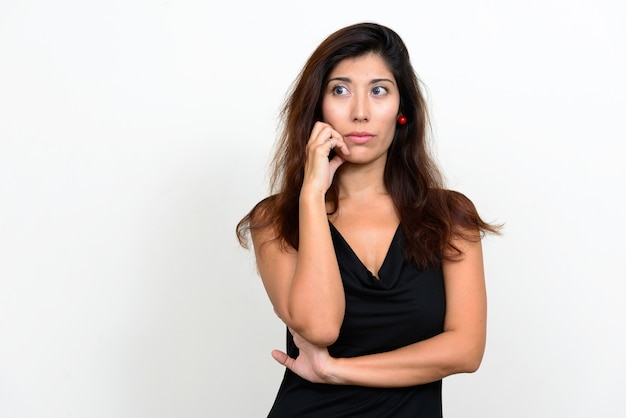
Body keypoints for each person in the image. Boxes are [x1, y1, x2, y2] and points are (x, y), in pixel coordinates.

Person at [236, 22, 501, 417]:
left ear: (402, 112)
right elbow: (321, 327)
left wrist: (336, 370)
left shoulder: (449, 217)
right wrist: (311, 195)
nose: (360, 113)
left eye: (379, 91)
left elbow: (465, 350)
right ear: (317, 108)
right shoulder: (275, 220)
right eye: (340, 90)